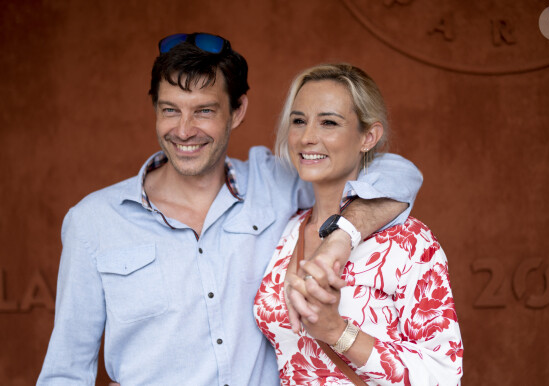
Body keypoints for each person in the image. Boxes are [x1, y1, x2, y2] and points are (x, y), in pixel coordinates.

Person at [37, 33, 423, 385]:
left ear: (237, 111)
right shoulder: (94, 221)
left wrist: (341, 236)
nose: (184, 130)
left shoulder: (277, 184)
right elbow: (65, 372)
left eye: (203, 111)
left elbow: (397, 173)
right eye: (170, 110)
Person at [254, 63, 463, 385]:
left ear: (368, 137)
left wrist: (337, 331)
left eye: (329, 122)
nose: (307, 137)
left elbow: (444, 376)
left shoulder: (408, 242)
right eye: (299, 121)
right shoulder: (286, 231)